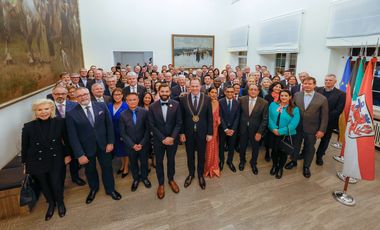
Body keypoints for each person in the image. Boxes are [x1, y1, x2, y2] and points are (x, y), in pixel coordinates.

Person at [66, 87, 121, 204]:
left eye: (85, 94)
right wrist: (79, 154)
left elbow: (109, 125)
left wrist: (111, 142)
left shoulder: (101, 106)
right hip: (86, 149)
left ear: (89, 94)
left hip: (104, 145)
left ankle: (110, 189)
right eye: (80, 95)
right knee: (90, 170)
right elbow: (72, 136)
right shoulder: (71, 114)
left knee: (107, 168)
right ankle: (93, 189)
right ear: (75, 98)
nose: (83, 97)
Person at [21, 99, 71, 220]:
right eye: (40, 110)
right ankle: (51, 203)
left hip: (56, 158)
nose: (44, 112)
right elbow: (25, 146)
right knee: (44, 185)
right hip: (36, 160)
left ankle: (60, 202)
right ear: (35, 112)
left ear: (51, 109)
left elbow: (66, 141)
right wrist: (25, 164)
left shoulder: (60, 122)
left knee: (56, 183)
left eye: (46, 109)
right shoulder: (28, 127)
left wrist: (67, 155)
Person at [285, 76, 328, 178]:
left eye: (310, 83)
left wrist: (321, 130)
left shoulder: (322, 98)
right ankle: (293, 161)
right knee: (295, 145)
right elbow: (291, 109)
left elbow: (325, 116)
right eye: (305, 83)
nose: (307, 85)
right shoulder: (296, 95)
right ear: (302, 84)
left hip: (312, 129)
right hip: (297, 127)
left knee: (309, 148)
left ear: (314, 85)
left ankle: (306, 166)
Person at [148, 84, 182, 199]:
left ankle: (171, 179)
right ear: (158, 92)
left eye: (166, 91)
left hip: (173, 140)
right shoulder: (152, 106)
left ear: (170, 92)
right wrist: (163, 138)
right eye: (162, 91)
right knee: (159, 162)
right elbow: (152, 125)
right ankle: (161, 183)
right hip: (159, 140)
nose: (164, 93)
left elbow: (178, 123)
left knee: (171, 160)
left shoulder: (176, 104)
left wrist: (172, 137)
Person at [179, 78, 213, 190]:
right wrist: (182, 133)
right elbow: (181, 118)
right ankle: (191, 174)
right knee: (189, 155)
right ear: (189, 87)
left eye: (196, 86)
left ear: (200, 86)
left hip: (202, 133)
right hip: (188, 133)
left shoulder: (207, 98)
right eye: (192, 86)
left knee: (201, 155)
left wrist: (209, 133)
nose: (194, 88)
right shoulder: (184, 99)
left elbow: (210, 117)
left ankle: (200, 175)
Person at [50, 85, 86, 187]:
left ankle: (75, 177)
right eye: (57, 94)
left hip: (73, 138)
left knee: (74, 160)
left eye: (62, 93)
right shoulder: (49, 107)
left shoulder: (75, 105)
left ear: (67, 94)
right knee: (60, 162)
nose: (60, 96)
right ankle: (60, 182)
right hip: (57, 141)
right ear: (53, 95)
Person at [119, 93, 152, 192]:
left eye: (134, 99)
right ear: (126, 101)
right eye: (130, 100)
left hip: (144, 144)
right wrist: (132, 145)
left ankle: (145, 177)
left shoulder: (144, 112)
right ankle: (136, 179)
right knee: (133, 163)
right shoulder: (122, 114)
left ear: (138, 101)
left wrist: (141, 143)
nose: (132, 102)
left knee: (144, 161)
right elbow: (123, 133)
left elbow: (148, 129)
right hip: (130, 145)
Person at [268, 90, 300, 179]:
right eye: (282, 95)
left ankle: (280, 168)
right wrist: (273, 128)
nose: (283, 97)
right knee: (274, 151)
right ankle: (274, 165)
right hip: (273, 132)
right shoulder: (273, 105)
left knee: (283, 152)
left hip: (286, 134)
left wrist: (280, 131)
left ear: (290, 97)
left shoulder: (295, 108)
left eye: (286, 95)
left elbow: (294, 124)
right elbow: (269, 117)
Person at [315, 74, 345, 165]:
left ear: (335, 82)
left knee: (325, 140)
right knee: (310, 139)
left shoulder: (341, 94)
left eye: (330, 80)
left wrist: (324, 118)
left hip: (329, 122)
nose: (327, 82)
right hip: (315, 120)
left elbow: (338, 110)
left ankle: (319, 156)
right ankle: (305, 153)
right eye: (326, 80)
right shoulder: (317, 90)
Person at [239, 84, 268, 174]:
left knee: (255, 148)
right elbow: (238, 114)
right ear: (248, 91)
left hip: (256, 130)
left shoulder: (264, 102)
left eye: (255, 89)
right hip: (243, 128)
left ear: (258, 91)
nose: (253, 91)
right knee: (242, 147)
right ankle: (242, 161)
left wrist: (260, 132)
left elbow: (265, 119)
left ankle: (253, 163)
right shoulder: (241, 99)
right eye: (251, 89)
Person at [107, 88, 129, 178]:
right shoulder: (109, 105)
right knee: (118, 151)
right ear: (113, 96)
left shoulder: (126, 105)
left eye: (119, 94)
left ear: (122, 95)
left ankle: (126, 167)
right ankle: (122, 165)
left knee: (125, 151)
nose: (117, 96)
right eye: (115, 94)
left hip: (123, 132)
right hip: (113, 133)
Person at [218, 85, 240, 172]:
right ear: (225, 92)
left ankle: (229, 161)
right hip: (223, 129)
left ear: (234, 92)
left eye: (232, 92)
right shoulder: (220, 102)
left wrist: (233, 129)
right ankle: (221, 161)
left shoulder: (237, 102)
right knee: (221, 146)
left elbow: (237, 117)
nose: (230, 93)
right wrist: (226, 129)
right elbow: (220, 116)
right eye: (228, 92)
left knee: (231, 146)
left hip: (233, 130)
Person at [263, 82, 284, 162]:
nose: (278, 88)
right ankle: (267, 152)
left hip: (279, 120)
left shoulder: (283, 96)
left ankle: (275, 152)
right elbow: (265, 108)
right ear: (272, 87)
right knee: (268, 137)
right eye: (276, 86)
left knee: (277, 137)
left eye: (280, 87)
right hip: (269, 118)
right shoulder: (267, 96)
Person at [204, 87, 221, 178]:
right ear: (208, 93)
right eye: (212, 92)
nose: (214, 94)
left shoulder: (217, 103)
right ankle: (208, 167)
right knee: (207, 147)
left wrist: (218, 119)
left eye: (215, 92)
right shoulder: (205, 103)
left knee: (213, 146)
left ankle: (214, 166)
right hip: (206, 128)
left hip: (215, 129)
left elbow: (218, 115)